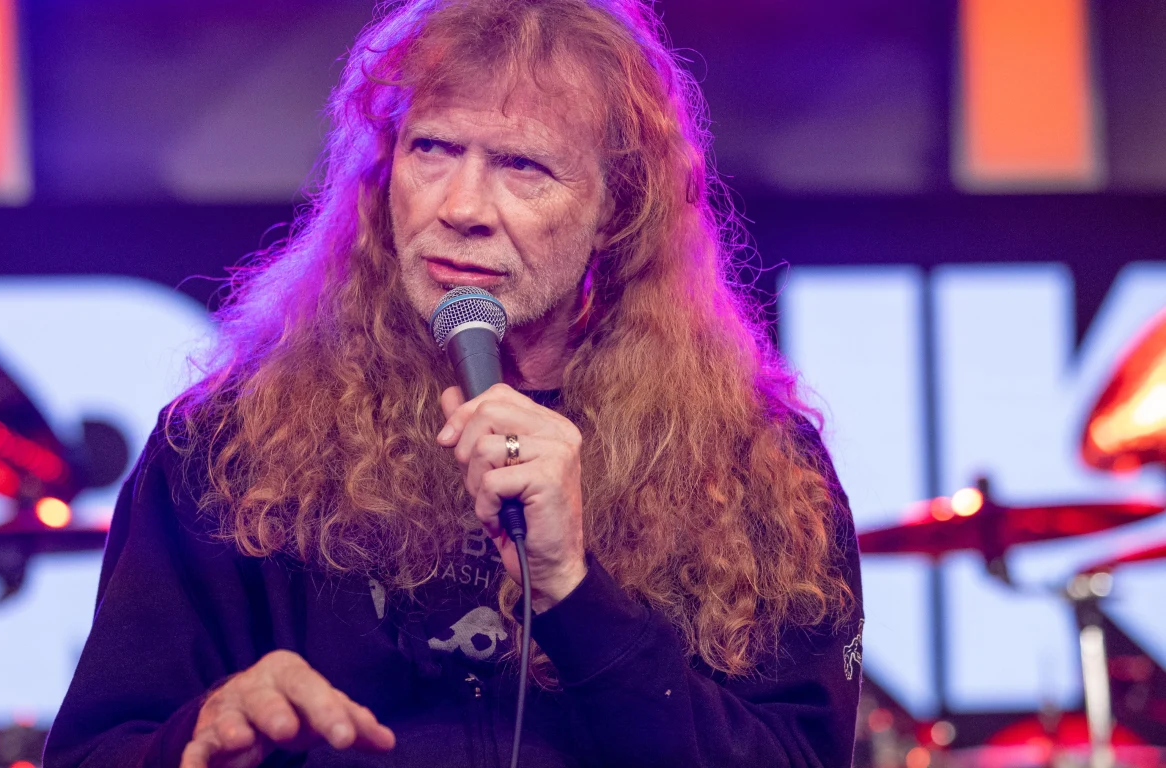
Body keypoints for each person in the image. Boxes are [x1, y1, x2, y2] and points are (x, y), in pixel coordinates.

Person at [43, 0, 864, 766]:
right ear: (383, 172)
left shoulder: (754, 464)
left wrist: (574, 592)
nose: (461, 206)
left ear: (617, 210)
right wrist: (197, 737)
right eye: (432, 149)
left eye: (522, 165)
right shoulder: (229, 445)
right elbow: (94, 751)